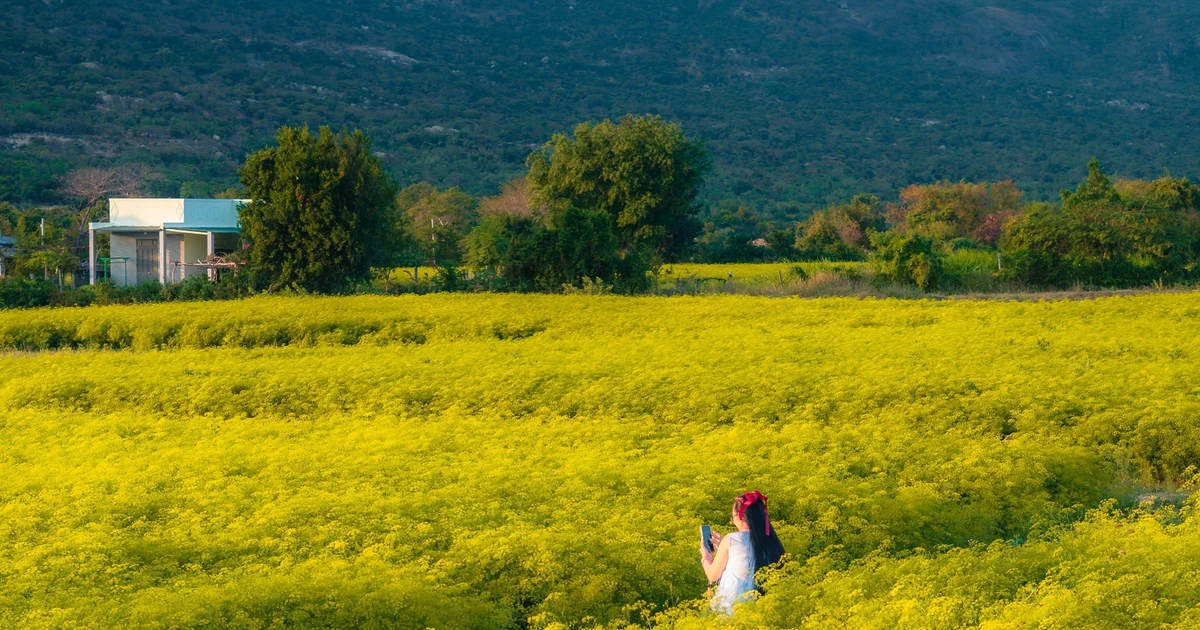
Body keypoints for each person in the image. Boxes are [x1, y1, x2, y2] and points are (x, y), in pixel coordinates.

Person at [699, 490, 786, 615]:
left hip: (731, 611)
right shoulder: (770, 541)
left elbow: (712, 575)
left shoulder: (731, 539)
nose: (733, 521)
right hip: (763, 611)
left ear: (741, 517)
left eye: (733, 517)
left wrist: (705, 555)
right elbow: (748, 557)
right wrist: (723, 549)